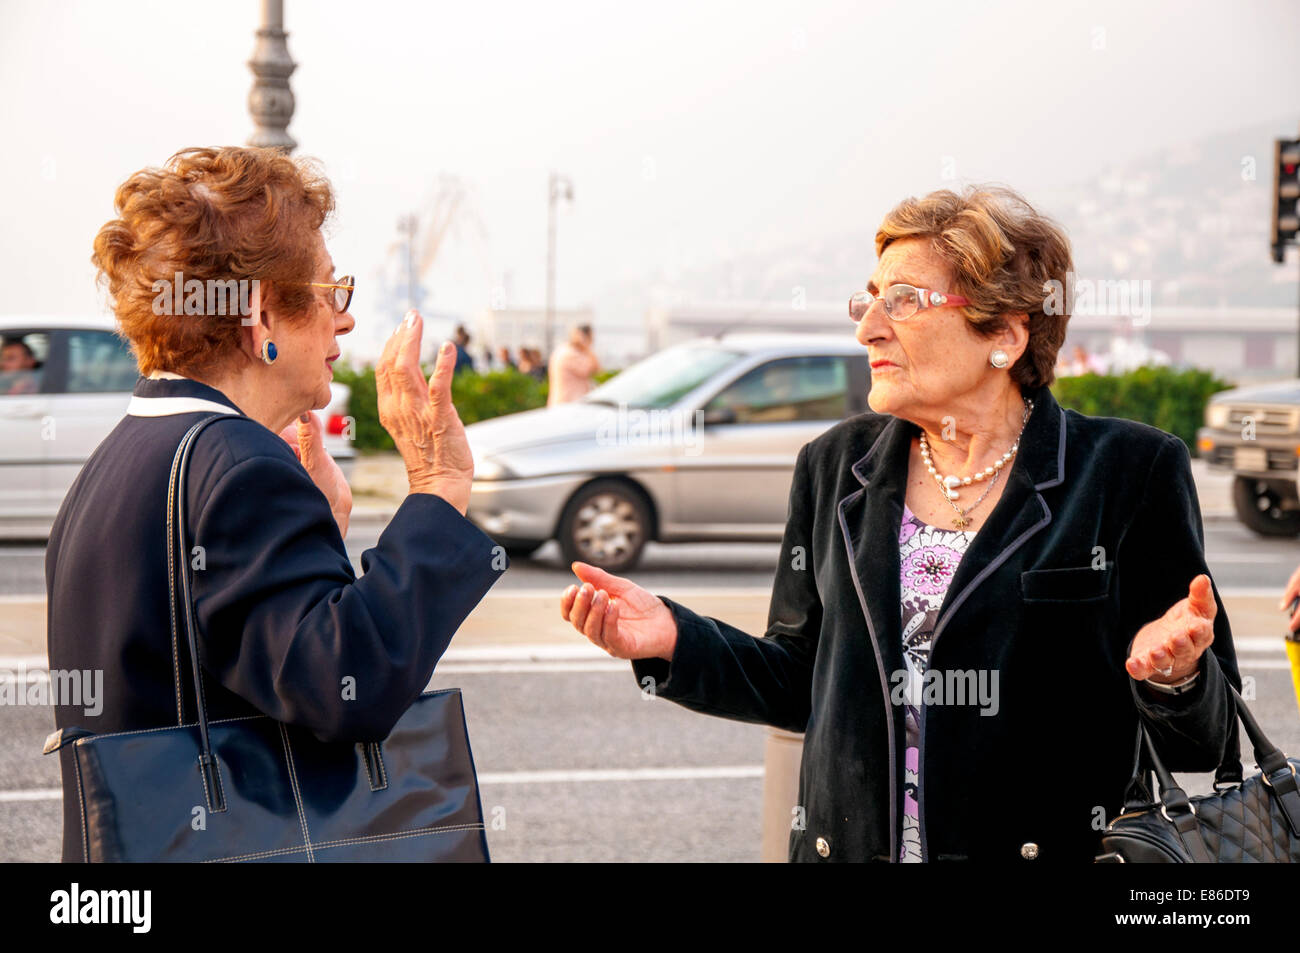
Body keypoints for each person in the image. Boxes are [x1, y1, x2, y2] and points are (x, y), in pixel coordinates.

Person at [558, 185, 1241, 863]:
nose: (867, 328)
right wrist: (676, 637)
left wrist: (1176, 676)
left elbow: (1206, 744)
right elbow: (801, 682)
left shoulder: (1129, 471)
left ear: (1004, 333)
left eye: (905, 301)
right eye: (870, 298)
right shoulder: (833, 466)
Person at [47, 146, 507, 863]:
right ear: (262, 316)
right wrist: (438, 488)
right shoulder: (238, 466)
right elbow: (345, 688)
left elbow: (247, 654)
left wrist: (318, 533)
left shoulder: (121, 458)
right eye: (330, 292)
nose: (343, 323)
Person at [547, 324, 600, 405]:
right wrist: (587, 347)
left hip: (565, 403)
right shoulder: (571, 354)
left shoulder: (562, 350)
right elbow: (594, 368)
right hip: (568, 404)